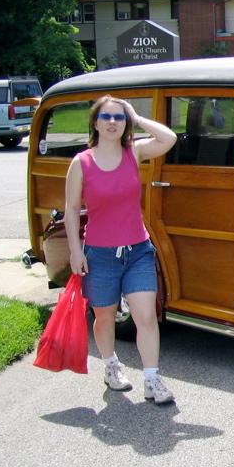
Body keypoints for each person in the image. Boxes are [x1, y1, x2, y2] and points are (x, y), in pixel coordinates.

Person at [65, 96, 178, 403]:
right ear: (95, 122)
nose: (112, 122)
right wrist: (76, 252)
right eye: (106, 116)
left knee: (145, 316)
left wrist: (137, 116)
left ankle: (152, 379)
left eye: (119, 117)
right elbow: (72, 209)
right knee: (104, 318)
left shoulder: (135, 152)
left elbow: (169, 138)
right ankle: (111, 365)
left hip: (138, 250)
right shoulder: (82, 162)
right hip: (99, 254)